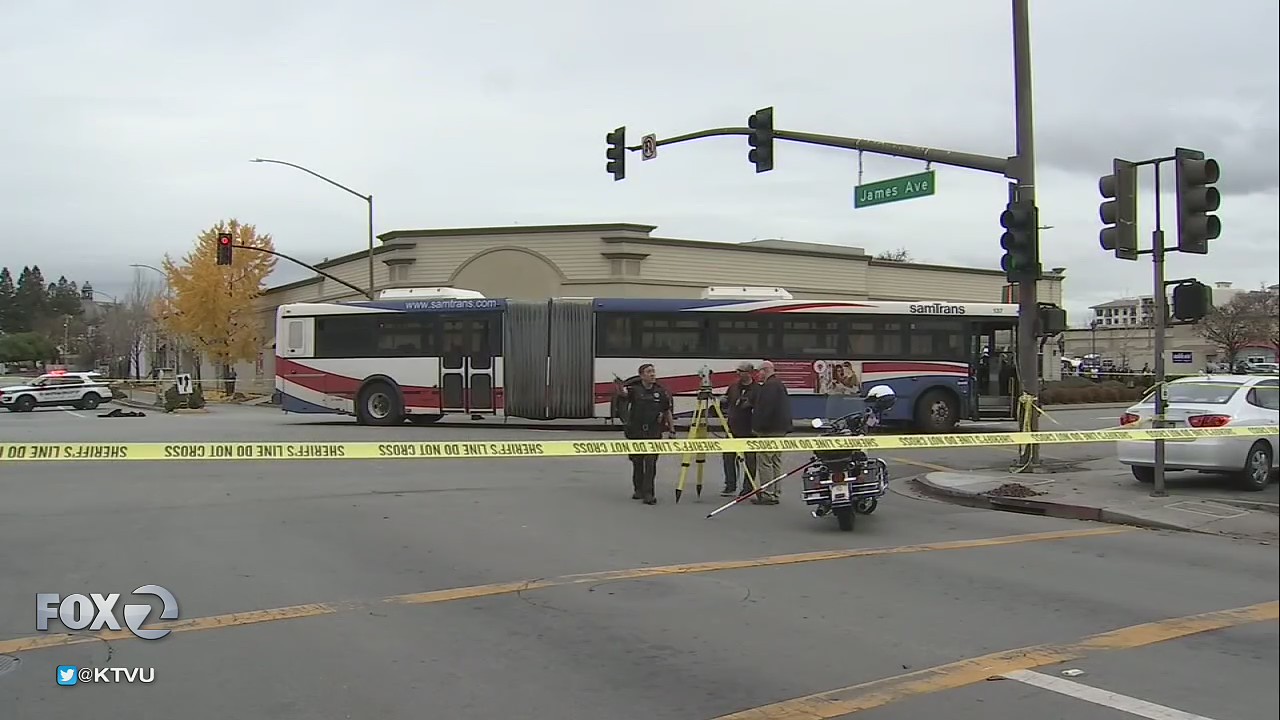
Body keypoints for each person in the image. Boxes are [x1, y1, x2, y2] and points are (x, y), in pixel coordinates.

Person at [613, 363, 674, 504]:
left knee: (651, 463)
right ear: (641, 375)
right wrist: (618, 386)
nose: (652, 374)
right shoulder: (635, 390)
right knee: (637, 462)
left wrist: (672, 430)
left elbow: (667, 411)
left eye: (653, 371)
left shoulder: (660, 392)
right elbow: (623, 394)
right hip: (636, 432)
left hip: (654, 432)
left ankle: (649, 494)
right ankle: (638, 489)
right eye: (649, 372)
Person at [750, 360, 793, 504]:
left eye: (759, 371)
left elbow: (765, 410)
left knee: (765, 461)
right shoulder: (779, 385)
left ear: (765, 370)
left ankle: (767, 493)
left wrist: (758, 427)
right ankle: (775, 492)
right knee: (775, 461)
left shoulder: (769, 387)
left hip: (769, 430)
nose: (758, 374)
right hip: (780, 429)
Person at [719, 361, 759, 497]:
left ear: (749, 373)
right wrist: (722, 402)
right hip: (732, 427)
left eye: (741, 371)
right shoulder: (733, 387)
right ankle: (730, 485)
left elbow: (760, 408)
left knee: (750, 460)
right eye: (737, 371)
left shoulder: (757, 389)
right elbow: (727, 401)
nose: (738, 373)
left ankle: (747, 487)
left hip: (749, 429)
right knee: (728, 457)